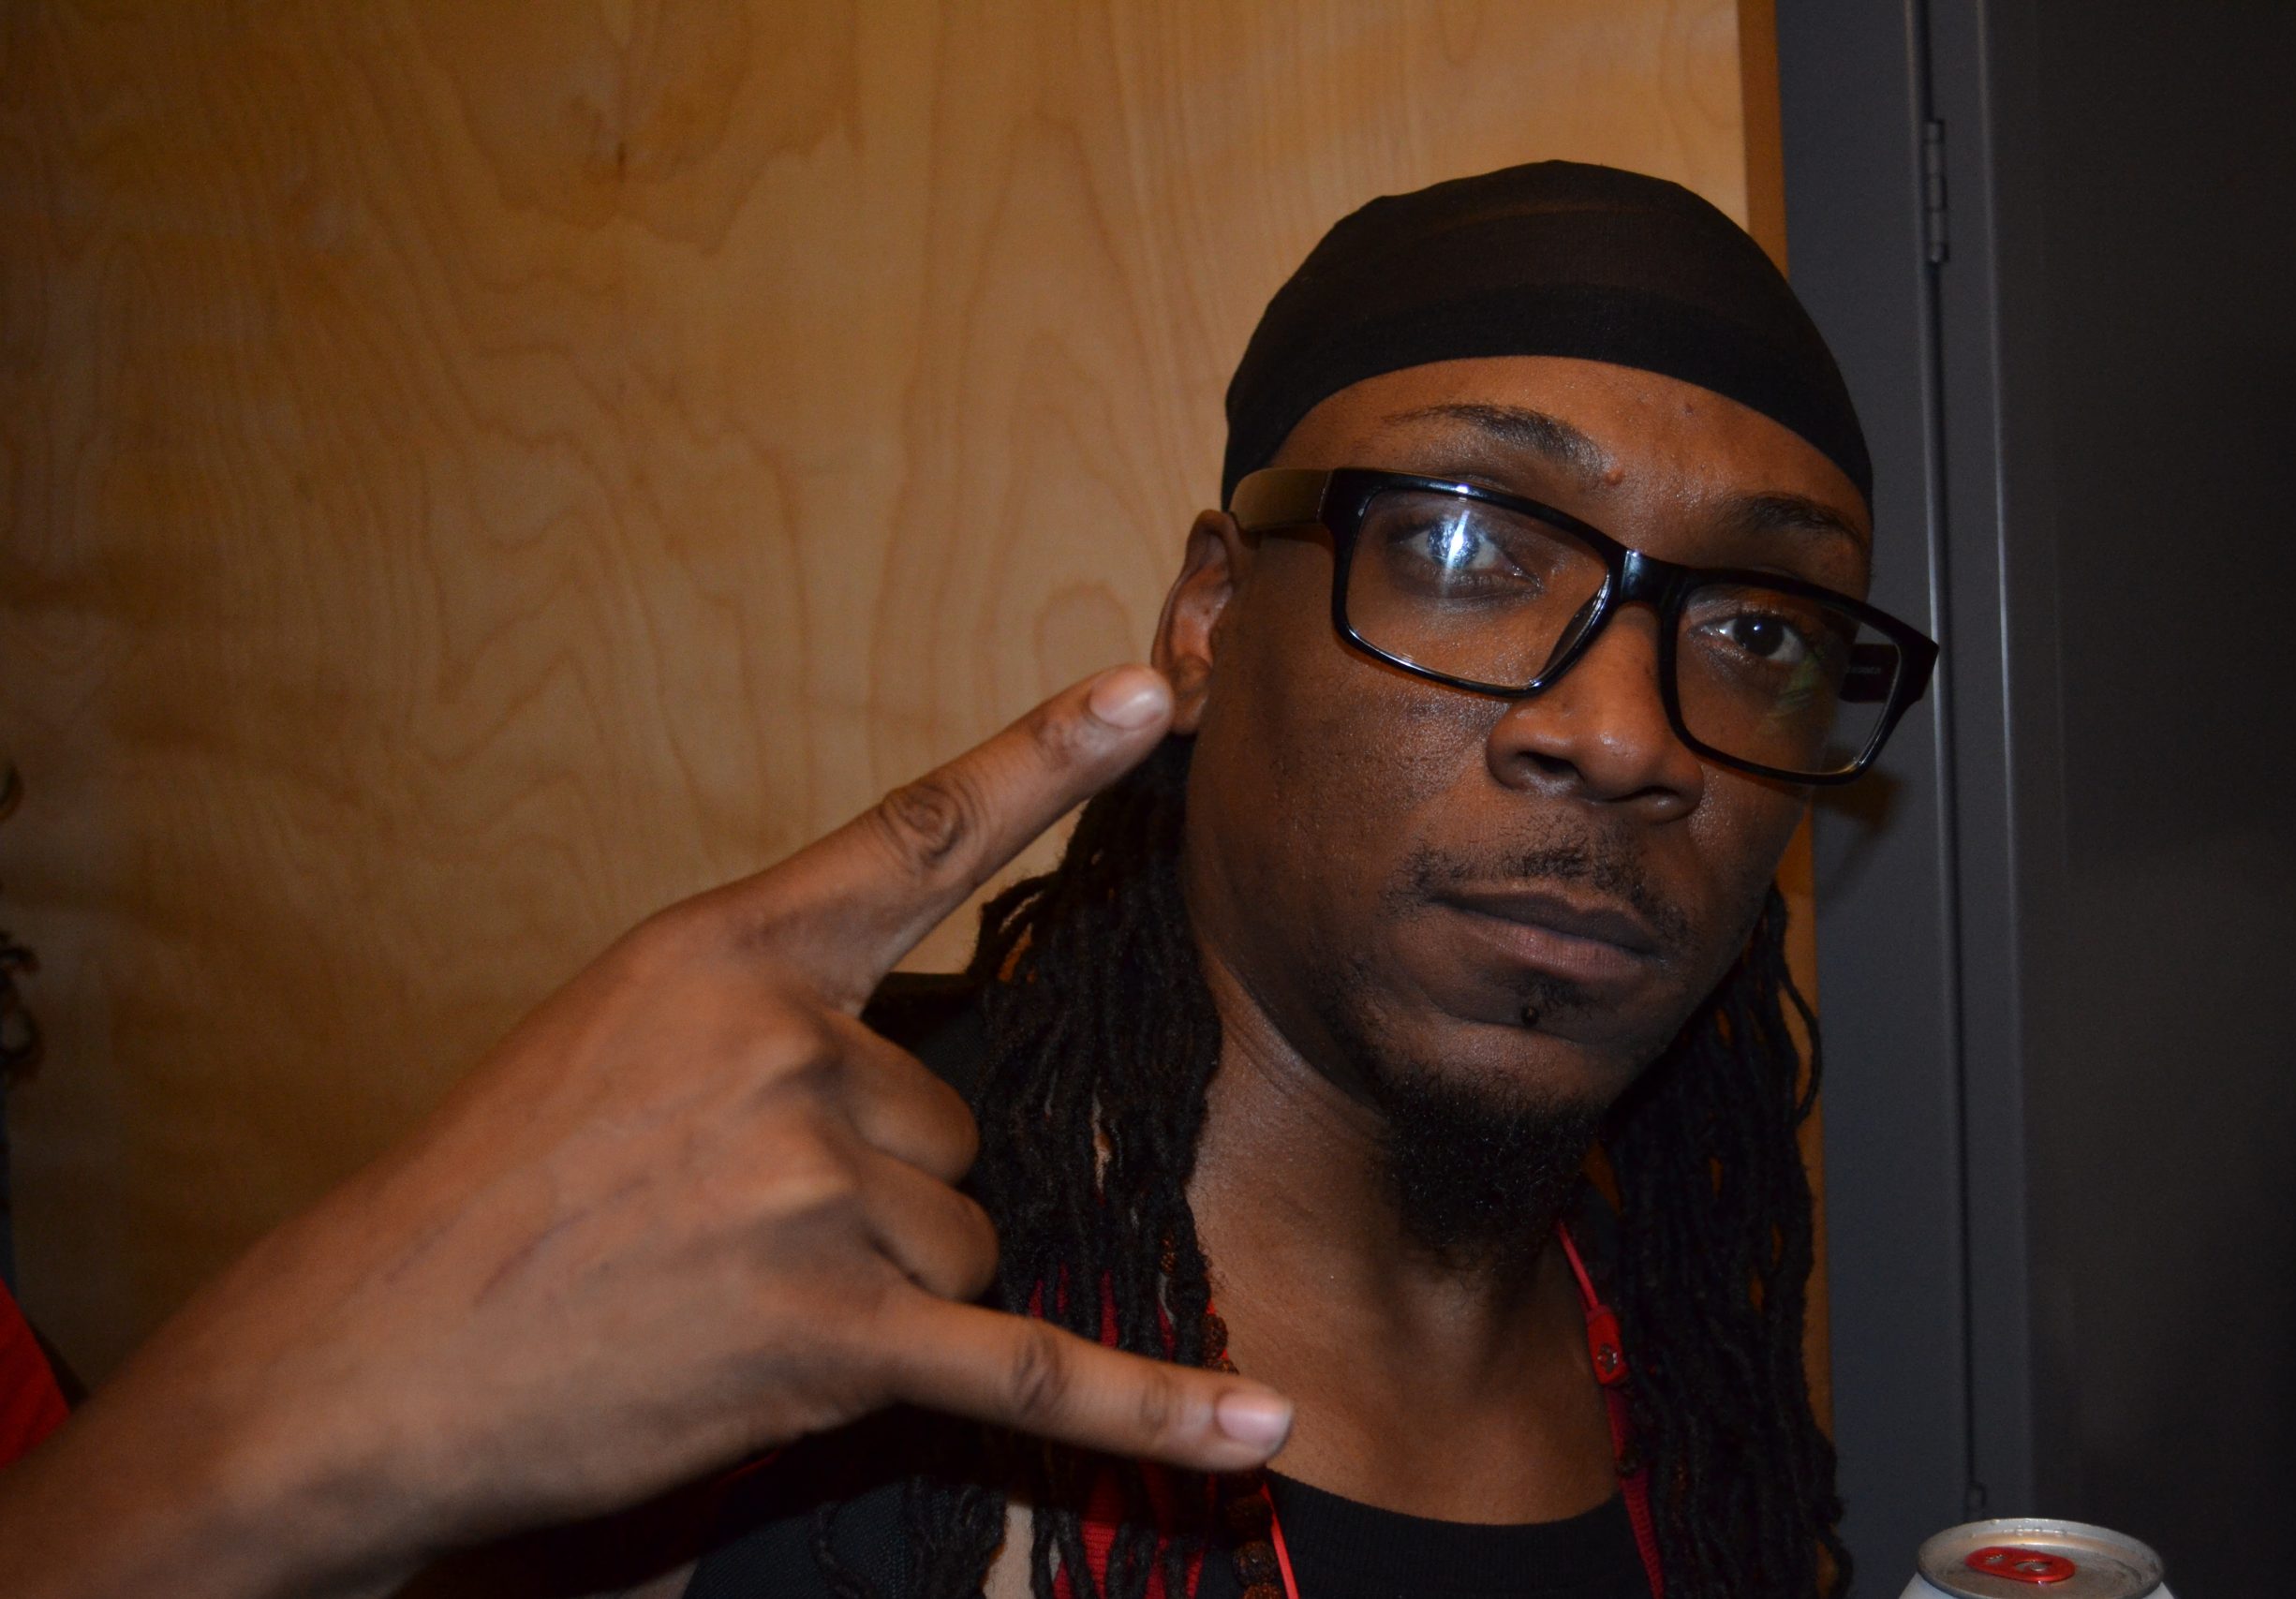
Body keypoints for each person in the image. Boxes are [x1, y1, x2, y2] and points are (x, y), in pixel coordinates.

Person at [0, 163, 1933, 1599]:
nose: (1625, 732)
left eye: (1760, 629)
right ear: (1207, 618)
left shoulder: (1676, 1329)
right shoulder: (798, 1340)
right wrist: (262, 1445)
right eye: (1461, 546)